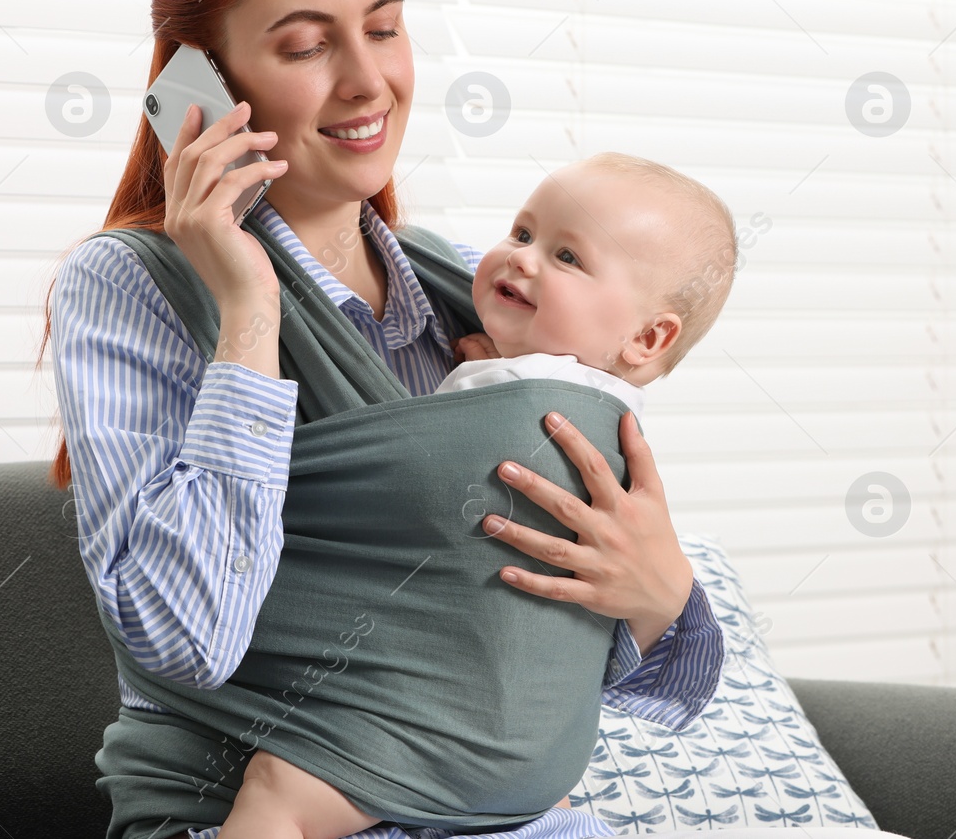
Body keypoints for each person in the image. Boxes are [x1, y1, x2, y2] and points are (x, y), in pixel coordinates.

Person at [39, 0, 724, 839]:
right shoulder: (130, 284)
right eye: (308, 44)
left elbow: (635, 677)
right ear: (203, 79)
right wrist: (247, 312)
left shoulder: (472, 288)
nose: (367, 81)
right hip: (243, 808)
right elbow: (185, 640)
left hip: (482, 808)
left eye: (386, 26)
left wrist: (661, 595)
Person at [217, 151, 737, 838]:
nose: (520, 259)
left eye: (568, 257)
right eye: (522, 233)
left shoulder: (559, 422)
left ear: (647, 337)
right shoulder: (495, 335)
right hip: (538, 766)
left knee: (275, 790)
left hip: (416, 733)